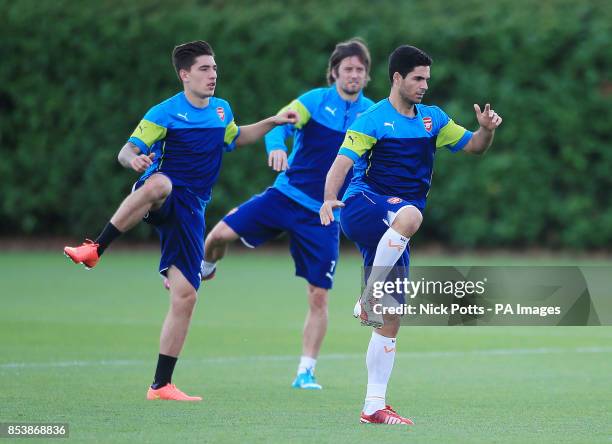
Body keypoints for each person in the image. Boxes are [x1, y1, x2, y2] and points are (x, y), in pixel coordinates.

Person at [63, 40, 297, 401]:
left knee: (186, 296)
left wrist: (270, 122)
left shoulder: (221, 111)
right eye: (204, 68)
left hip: (192, 211)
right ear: (184, 74)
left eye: (215, 68)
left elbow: (236, 138)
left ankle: (161, 385)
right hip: (163, 195)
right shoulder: (164, 112)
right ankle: (95, 247)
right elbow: (127, 150)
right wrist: (133, 161)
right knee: (159, 183)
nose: (213, 75)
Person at [320, 45, 502, 424]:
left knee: (392, 316)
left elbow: (474, 147)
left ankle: (373, 405)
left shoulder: (432, 120)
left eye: (427, 79)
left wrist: (486, 131)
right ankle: (369, 294)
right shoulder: (372, 119)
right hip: (363, 206)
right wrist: (327, 199)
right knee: (410, 215)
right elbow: (342, 161)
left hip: (396, 228)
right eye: (417, 78)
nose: (424, 85)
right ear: (397, 78)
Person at [202, 38, 375, 390]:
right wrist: (277, 147)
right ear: (334, 72)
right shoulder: (314, 101)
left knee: (319, 296)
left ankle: (305, 371)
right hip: (284, 196)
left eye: (360, 70)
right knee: (217, 237)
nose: (354, 75)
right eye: (348, 69)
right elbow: (281, 122)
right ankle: (207, 267)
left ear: (367, 76)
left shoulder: (372, 114)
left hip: (324, 215)